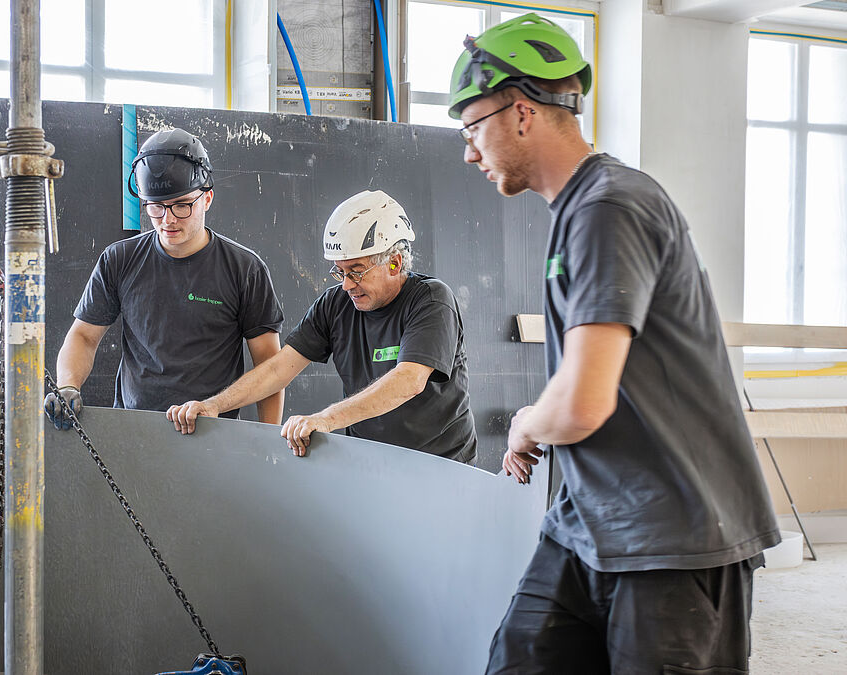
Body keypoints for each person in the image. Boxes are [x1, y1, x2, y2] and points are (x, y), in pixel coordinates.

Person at [448, 13, 781, 674]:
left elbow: (583, 402)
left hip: (675, 534)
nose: (468, 151)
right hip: (589, 523)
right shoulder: (581, 210)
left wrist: (524, 422)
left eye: (471, 126)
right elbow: (590, 373)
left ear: (520, 114)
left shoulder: (610, 207)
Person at [167, 190, 477, 465]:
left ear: (394, 263)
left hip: (442, 465)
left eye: (356, 271)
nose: (346, 285)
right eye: (339, 271)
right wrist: (214, 406)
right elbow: (278, 370)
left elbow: (408, 380)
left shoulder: (432, 301)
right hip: (374, 464)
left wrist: (327, 419)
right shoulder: (335, 304)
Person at [45, 127, 284, 428]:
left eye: (182, 205)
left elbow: (270, 368)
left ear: (207, 198)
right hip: (136, 428)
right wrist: (68, 385)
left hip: (213, 434)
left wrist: (270, 447)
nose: (167, 219)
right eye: (156, 207)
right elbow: (83, 336)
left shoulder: (245, 269)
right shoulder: (119, 260)